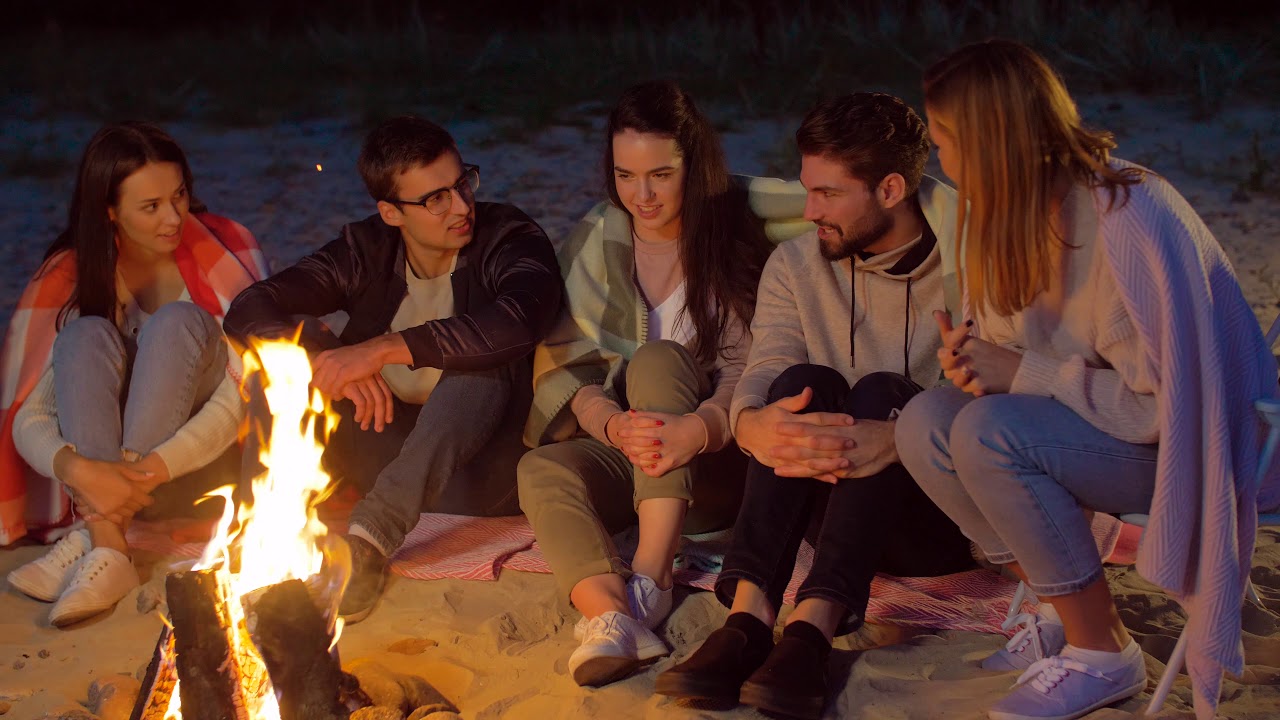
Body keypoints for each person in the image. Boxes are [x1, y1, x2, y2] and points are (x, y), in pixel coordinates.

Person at [894, 39, 1278, 720]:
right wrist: (977, 361)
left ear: (992, 140)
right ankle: (1054, 603)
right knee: (928, 421)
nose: (940, 158)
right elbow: (1015, 354)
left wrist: (1023, 374)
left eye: (947, 138)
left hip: (1198, 448)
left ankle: (1101, 652)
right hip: (1098, 427)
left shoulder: (1124, 219)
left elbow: (1167, 408)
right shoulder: (1005, 209)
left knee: (990, 433)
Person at [653, 92, 975, 719]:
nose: (810, 211)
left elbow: (994, 402)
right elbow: (766, 363)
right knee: (800, 381)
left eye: (828, 194)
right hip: (827, 506)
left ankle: (813, 630)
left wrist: (899, 433)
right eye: (808, 189)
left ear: (890, 189)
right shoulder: (797, 264)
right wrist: (752, 425)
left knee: (884, 393)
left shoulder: (970, 267)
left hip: (932, 516)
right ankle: (747, 621)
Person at [223, 116, 562, 623]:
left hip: (484, 473)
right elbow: (251, 306)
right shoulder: (365, 252)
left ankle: (368, 543)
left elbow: (519, 318)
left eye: (462, 183)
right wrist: (320, 364)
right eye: (435, 199)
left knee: (482, 364)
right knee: (294, 346)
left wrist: (381, 349)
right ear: (390, 212)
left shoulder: (508, 236)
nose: (461, 206)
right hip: (379, 449)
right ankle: (263, 535)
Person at [518, 80, 788, 687]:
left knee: (659, 359)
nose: (641, 195)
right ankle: (613, 615)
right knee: (543, 469)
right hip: (638, 447)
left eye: (660, 175)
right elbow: (566, 362)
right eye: (625, 175)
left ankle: (653, 576)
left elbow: (756, 362)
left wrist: (703, 427)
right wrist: (612, 424)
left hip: (718, 461)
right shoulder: (596, 242)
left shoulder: (734, 238)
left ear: (694, 166)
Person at [3, 122, 267, 626]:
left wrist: (134, 480)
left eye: (180, 196)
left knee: (176, 323)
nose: (173, 217)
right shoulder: (74, 273)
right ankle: (108, 545)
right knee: (82, 336)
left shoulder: (226, 248)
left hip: (197, 468)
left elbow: (245, 394)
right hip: (104, 477)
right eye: (151, 207)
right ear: (109, 211)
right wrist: (81, 473)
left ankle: (97, 535)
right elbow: (30, 415)